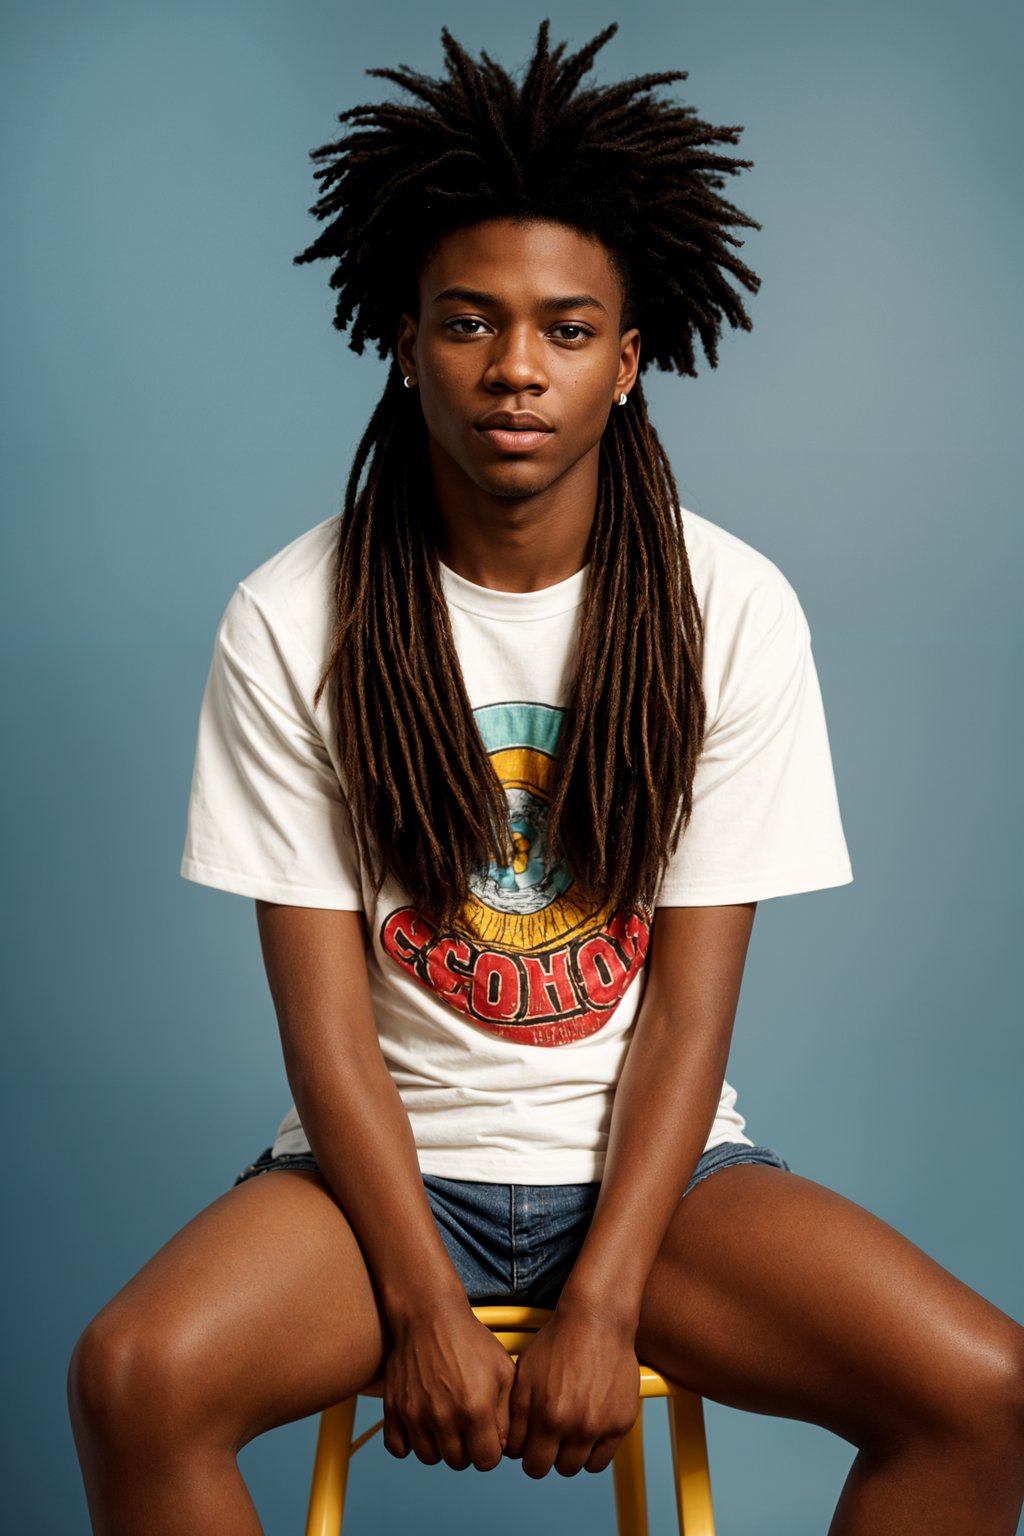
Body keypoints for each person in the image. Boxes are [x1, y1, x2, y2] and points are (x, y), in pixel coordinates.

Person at [68, 23, 1024, 1534]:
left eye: (569, 329)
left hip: (659, 1176)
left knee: (984, 1388)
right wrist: (421, 1301)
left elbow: (693, 1009)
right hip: (378, 1174)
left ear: (632, 361)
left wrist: (607, 1297)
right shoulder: (291, 614)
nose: (517, 367)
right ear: (403, 338)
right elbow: (326, 1029)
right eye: (470, 321)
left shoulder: (732, 609)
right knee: (133, 1377)